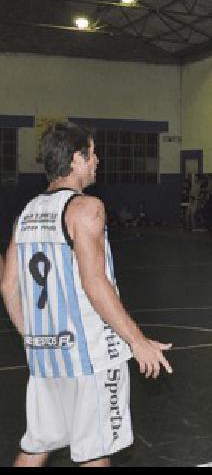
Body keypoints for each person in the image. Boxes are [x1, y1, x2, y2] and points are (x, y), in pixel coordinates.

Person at [0, 121, 172, 467]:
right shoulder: (86, 207)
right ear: (77, 159)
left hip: (45, 359)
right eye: (93, 154)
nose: (98, 162)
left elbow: (8, 285)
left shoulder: (27, 213)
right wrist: (136, 341)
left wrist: (33, 338)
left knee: (36, 447)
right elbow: (94, 282)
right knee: (95, 455)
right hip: (91, 356)